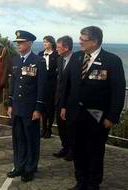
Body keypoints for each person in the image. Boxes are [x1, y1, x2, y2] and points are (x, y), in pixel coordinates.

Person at [60, 26, 126, 190]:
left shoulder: (112, 60)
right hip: (75, 114)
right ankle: (81, 181)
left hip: (97, 116)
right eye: (80, 38)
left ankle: (93, 183)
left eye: (83, 39)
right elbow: (66, 85)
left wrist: (112, 117)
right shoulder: (76, 57)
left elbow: (118, 91)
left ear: (95, 41)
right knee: (78, 148)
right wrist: (63, 106)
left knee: (95, 151)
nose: (80, 41)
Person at [7, 30, 47, 182]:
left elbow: (41, 87)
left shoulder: (38, 61)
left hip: (30, 109)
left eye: (21, 42)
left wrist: (38, 108)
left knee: (31, 139)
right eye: (17, 42)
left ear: (29, 43)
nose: (18, 45)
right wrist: (10, 104)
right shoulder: (16, 60)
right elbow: (14, 83)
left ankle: (30, 168)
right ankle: (19, 165)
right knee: (18, 138)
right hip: (17, 107)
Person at [53, 36, 73, 161]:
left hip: (70, 101)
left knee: (70, 127)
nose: (56, 49)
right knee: (61, 126)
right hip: (59, 99)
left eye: (58, 47)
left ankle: (72, 150)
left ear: (66, 48)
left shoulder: (77, 60)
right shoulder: (60, 60)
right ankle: (65, 147)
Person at [38, 36, 59, 138]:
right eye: (43, 42)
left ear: (51, 43)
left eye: (46, 42)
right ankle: (43, 128)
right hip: (42, 85)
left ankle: (49, 129)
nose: (44, 43)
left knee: (50, 108)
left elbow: (57, 70)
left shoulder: (56, 54)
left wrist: (48, 74)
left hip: (52, 85)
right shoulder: (40, 54)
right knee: (42, 107)